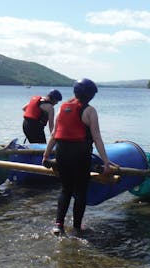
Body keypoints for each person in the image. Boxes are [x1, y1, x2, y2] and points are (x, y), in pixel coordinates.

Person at [42, 78, 111, 235]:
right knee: (80, 191)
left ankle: (58, 225)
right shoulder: (90, 111)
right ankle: (77, 227)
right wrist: (106, 162)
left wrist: (46, 155)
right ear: (91, 95)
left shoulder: (61, 108)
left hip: (62, 154)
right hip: (80, 155)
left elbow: (53, 135)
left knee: (66, 190)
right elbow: (97, 138)